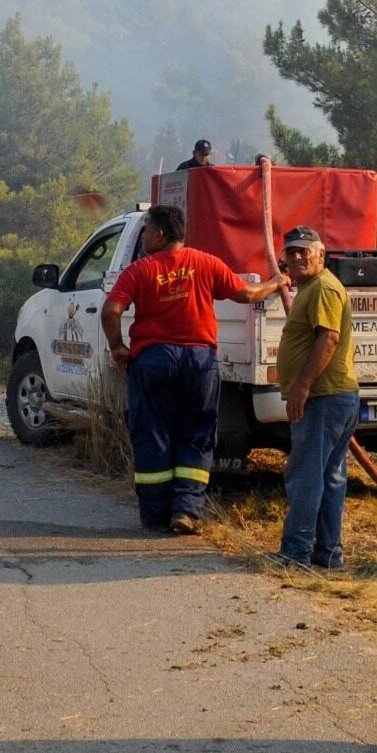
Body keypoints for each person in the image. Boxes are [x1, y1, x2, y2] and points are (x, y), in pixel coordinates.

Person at [100, 205, 285, 533]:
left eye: (146, 230)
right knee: (196, 433)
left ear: (159, 234)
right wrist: (276, 282)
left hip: (153, 360)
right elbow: (248, 293)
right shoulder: (207, 263)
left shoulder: (139, 271)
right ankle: (186, 510)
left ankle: (155, 514)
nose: (143, 237)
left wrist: (118, 347)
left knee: (153, 434)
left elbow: (112, 309)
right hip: (199, 362)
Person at [272, 225, 359, 570]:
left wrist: (302, 385)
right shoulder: (313, 288)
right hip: (335, 397)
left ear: (321, 255)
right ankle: (327, 554)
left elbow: (328, 339)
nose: (295, 257)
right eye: (290, 252)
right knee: (329, 477)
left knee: (306, 475)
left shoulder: (323, 288)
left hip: (323, 397)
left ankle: (296, 553)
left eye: (302, 251)